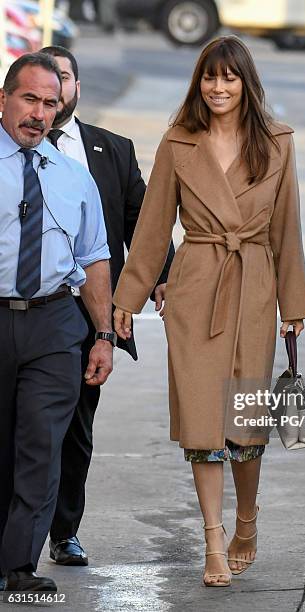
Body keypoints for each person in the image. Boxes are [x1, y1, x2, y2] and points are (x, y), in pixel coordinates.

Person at [113, 36, 305, 587]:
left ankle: (245, 522)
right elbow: (152, 229)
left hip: (253, 283)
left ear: (246, 83)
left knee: (244, 421)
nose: (218, 88)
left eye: (229, 78)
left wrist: (293, 303)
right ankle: (212, 542)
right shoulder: (179, 142)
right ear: (198, 83)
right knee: (204, 421)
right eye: (209, 77)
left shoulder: (277, 141)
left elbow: (286, 227)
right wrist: (127, 299)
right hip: (196, 283)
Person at [38, 45, 175, 567]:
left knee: (76, 425)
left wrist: (162, 274)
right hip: (25, 304)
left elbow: (145, 220)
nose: (55, 90)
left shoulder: (110, 150)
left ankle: (64, 531)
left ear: (76, 88)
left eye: (64, 78)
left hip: (89, 309)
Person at [0, 52, 113, 593]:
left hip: (53, 324)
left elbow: (93, 259)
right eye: (29, 99)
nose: (39, 113)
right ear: (3, 99)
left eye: (50, 102)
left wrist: (106, 335)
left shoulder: (74, 178)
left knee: (42, 447)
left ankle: (19, 567)